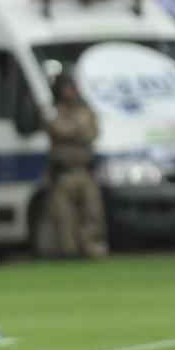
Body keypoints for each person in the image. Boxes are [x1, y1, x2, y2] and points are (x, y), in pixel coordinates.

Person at [45, 73, 107, 258]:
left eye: (72, 87)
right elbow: (58, 129)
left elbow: (91, 133)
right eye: (67, 87)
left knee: (92, 214)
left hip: (85, 171)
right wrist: (77, 128)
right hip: (63, 173)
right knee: (64, 218)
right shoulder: (54, 111)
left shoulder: (86, 110)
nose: (70, 91)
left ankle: (90, 248)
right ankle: (69, 252)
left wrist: (72, 129)